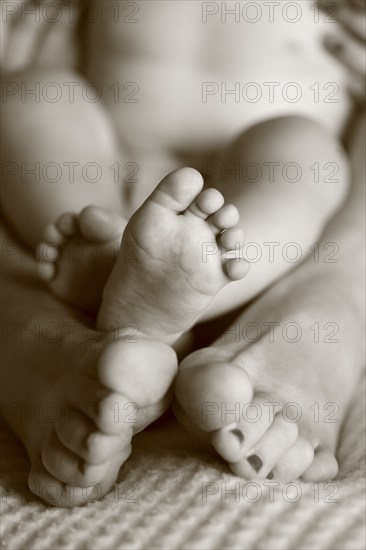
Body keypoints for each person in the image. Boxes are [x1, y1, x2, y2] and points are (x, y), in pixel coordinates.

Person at [1, 0, 365, 506]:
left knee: (305, 155)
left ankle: (178, 285)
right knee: (29, 95)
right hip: (109, 156)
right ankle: (110, 261)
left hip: (261, 167)